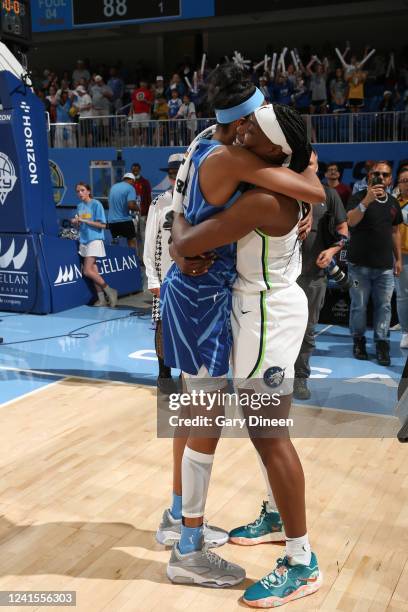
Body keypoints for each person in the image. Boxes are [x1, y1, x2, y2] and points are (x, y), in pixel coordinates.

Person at [159, 63, 324, 595]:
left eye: (259, 127)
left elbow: (309, 186)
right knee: (202, 409)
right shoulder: (233, 154)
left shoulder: (232, 158)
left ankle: (194, 528)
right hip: (211, 296)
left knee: (239, 422)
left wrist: (180, 235)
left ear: (275, 154)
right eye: (250, 121)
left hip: (256, 307)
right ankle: (186, 531)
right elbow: (311, 183)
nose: (248, 129)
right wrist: (179, 237)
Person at [144, 154, 195, 393]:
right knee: (163, 327)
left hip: (191, 277)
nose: (175, 179)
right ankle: (164, 377)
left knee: (188, 328)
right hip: (164, 276)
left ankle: (189, 377)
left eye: (179, 174)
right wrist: (152, 278)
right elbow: (149, 242)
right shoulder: (159, 203)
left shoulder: (196, 200)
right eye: (172, 175)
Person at [293, 185, 348, 400]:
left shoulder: (328, 195)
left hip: (313, 276)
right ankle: (275, 375)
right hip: (280, 276)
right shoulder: (283, 188)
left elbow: (344, 230)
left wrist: (333, 249)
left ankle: (300, 376)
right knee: (274, 329)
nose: (307, 165)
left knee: (306, 330)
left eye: (312, 162)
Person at [347, 161, 403, 366]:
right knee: (358, 306)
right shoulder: (357, 197)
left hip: (385, 268)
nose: (380, 177)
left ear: (390, 179)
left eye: (385, 174)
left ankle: (382, 343)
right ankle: (358, 341)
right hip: (358, 267)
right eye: (376, 174)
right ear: (369, 176)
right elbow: (350, 221)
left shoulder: (394, 203)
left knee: (384, 307)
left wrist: (398, 259)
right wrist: (367, 201)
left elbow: (395, 232)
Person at [72, 182, 117, 307]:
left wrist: (84, 220)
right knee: (94, 270)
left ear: (88, 191)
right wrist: (76, 222)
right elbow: (81, 224)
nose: (80, 193)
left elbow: (102, 225)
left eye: (82, 190)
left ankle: (110, 290)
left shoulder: (96, 204)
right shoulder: (79, 206)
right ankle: (101, 299)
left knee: (87, 271)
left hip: (95, 240)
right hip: (84, 240)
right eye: (78, 191)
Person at [107, 173, 139, 251]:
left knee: (116, 243)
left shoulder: (113, 187)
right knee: (132, 241)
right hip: (124, 220)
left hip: (111, 221)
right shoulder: (130, 188)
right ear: (132, 180)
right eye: (133, 182)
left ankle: (118, 261)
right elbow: (131, 205)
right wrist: (139, 209)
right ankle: (133, 260)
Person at [395, 168, 408, 348]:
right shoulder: (393, 202)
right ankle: (406, 331)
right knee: (403, 296)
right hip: (402, 255)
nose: (406, 183)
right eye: (403, 180)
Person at [131, 163, 152, 249]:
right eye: (133, 170)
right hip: (132, 214)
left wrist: (149, 214)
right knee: (134, 236)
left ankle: (144, 259)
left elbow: (149, 198)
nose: (135, 171)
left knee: (143, 235)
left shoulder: (145, 182)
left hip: (143, 213)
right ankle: (135, 257)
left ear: (140, 170)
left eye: (136, 170)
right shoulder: (130, 183)